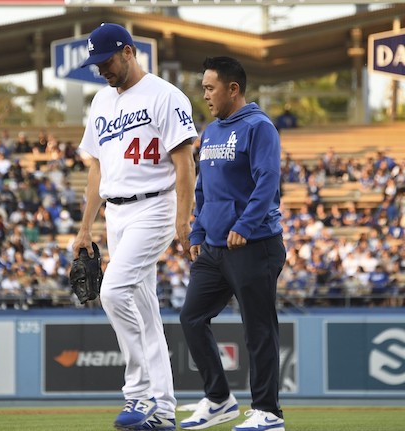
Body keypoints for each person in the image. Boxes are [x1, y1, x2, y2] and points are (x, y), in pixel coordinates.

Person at [72, 23, 197, 431]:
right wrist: (84, 227)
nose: (101, 69)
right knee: (146, 315)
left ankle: (139, 393)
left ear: (127, 52)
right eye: (95, 63)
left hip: (155, 207)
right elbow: (96, 170)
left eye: (105, 60)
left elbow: (184, 163)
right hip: (116, 213)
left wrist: (183, 216)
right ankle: (163, 410)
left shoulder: (165, 95)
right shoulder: (101, 102)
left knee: (112, 290)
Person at [179, 57, 286, 431]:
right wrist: (196, 232)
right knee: (191, 317)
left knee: (258, 328)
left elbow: (267, 181)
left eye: (210, 88)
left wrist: (245, 224)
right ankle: (220, 399)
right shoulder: (209, 132)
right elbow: (204, 188)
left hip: (254, 243)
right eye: (204, 88)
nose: (205, 95)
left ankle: (268, 412)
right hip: (214, 246)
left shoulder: (260, 127)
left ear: (233, 88)